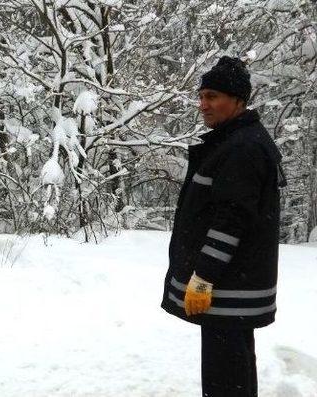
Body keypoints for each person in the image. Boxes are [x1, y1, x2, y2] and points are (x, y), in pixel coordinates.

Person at [161, 56, 286, 397]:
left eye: (213, 96)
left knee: (225, 376)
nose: (203, 104)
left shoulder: (242, 148)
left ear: (239, 100)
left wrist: (203, 276)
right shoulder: (235, 140)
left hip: (228, 286)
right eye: (201, 96)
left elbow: (231, 218)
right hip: (233, 286)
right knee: (235, 366)